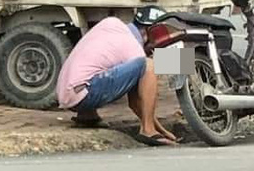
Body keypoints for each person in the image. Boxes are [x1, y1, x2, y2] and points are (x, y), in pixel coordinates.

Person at [56, 16, 177, 147]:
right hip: (83, 94)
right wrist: (162, 130)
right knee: (150, 66)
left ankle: (87, 115)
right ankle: (148, 130)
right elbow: (136, 103)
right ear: (148, 32)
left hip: (67, 94)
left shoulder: (111, 24)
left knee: (101, 65)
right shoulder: (133, 47)